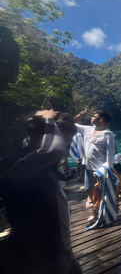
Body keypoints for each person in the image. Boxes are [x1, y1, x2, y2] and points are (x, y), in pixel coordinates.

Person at [0, 110, 81, 273]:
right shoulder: (18, 167)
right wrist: (48, 120)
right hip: (41, 256)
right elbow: (53, 151)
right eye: (64, 141)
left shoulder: (42, 168)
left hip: (58, 248)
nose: (67, 148)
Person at [74, 110, 116, 221]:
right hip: (88, 167)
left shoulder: (108, 134)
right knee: (89, 189)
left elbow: (110, 154)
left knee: (100, 193)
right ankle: (96, 211)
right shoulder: (88, 129)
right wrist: (78, 116)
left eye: (94, 116)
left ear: (101, 119)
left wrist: (105, 169)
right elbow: (73, 125)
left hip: (100, 170)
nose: (92, 117)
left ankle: (99, 213)